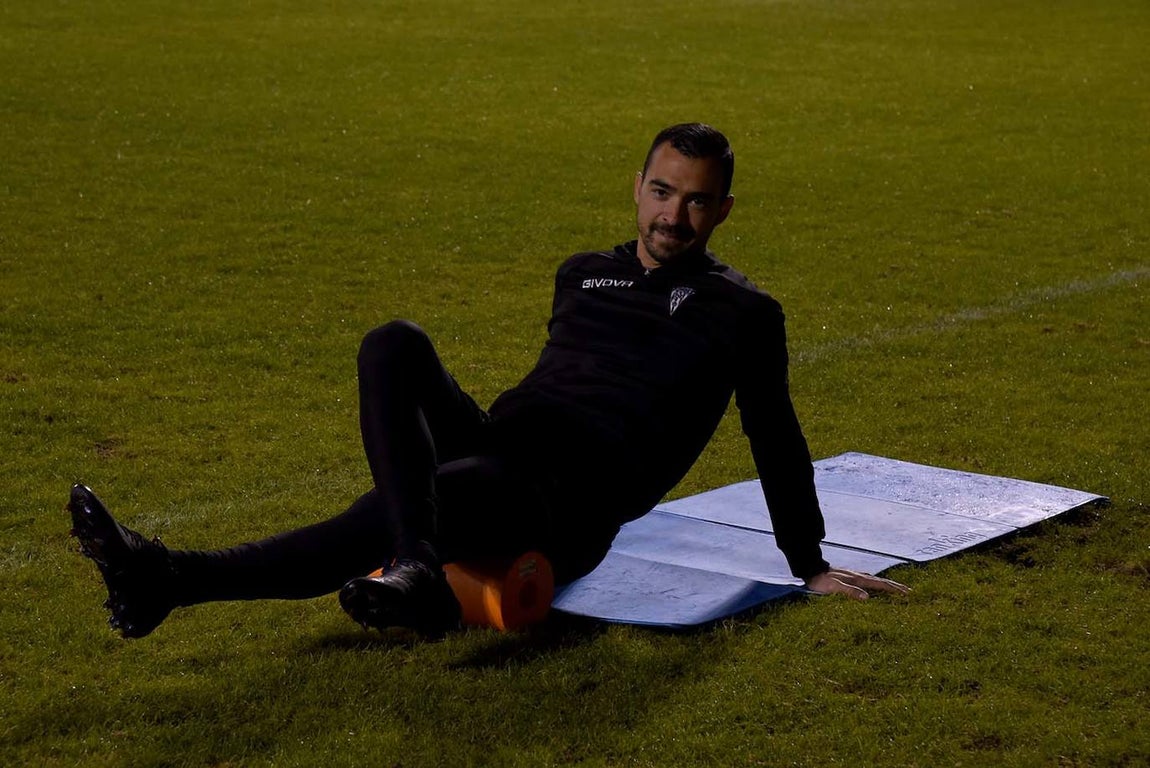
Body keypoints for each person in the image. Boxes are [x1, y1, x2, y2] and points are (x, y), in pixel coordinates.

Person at [69, 123, 908, 639]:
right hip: (508, 444)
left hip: (573, 500)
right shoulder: (582, 271)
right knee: (393, 344)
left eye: (696, 201)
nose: (672, 216)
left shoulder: (744, 312)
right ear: (638, 187)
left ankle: (173, 576)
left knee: (433, 497)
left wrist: (809, 563)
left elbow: (775, 435)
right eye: (662, 192)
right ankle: (415, 562)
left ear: (722, 209)